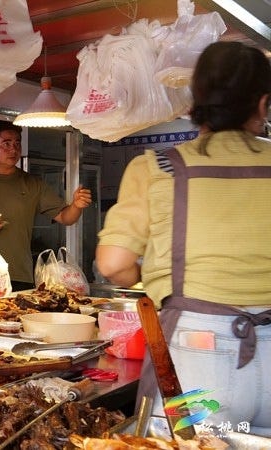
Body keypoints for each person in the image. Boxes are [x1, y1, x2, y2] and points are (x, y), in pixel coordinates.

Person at [96, 41, 271, 435]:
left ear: (196, 101)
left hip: (197, 357)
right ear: (262, 104)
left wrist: (150, 276)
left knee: (186, 444)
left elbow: (113, 264)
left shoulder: (159, 167)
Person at [0, 120, 92, 292]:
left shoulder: (32, 183)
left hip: (19, 275)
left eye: (17, 143)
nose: (13, 149)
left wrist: (77, 205)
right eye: (6, 144)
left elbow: (66, 217)